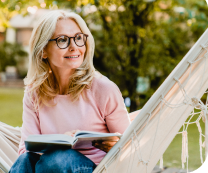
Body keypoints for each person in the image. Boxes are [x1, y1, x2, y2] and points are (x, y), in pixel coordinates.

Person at [9, 10, 130, 173]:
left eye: (79, 38)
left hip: (97, 168)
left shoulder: (103, 89)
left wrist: (101, 142)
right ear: (43, 50)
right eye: (63, 40)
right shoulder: (34, 93)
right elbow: (26, 151)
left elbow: (130, 147)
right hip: (48, 167)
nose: (74, 47)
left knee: (58, 159)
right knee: (26, 160)